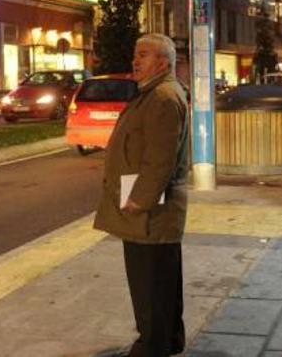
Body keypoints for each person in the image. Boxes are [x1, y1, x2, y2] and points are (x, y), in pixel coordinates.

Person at [94, 34, 190, 357]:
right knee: (162, 280)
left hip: (150, 211)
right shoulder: (154, 93)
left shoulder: (161, 97)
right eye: (135, 54)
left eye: (144, 55)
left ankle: (152, 347)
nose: (135, 60)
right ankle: (169, 339)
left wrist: (140, 199)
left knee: (150, 284)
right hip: (150, 208)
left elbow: (160, 159)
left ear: (162, 62)